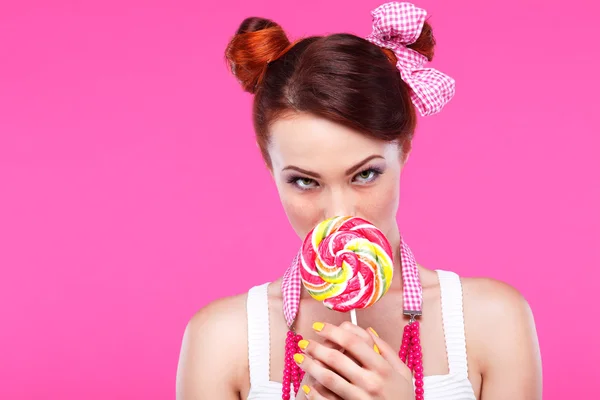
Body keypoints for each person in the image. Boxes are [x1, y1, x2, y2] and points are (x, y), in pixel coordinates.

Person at [175, 2, 543, 399]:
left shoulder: (492, 321)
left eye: (365, 174)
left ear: (402, 150)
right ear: (271, 171)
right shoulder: (220, 340)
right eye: (304, 181)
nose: (339, 213)